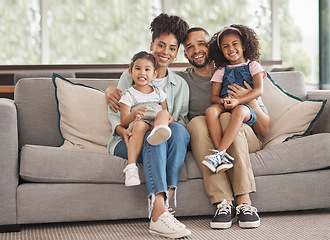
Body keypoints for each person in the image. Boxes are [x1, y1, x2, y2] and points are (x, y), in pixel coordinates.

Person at [106, 14, 191, 239]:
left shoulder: (180, 84)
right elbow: (117, 112)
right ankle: (159, 214)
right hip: (129, 138)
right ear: (151, 45)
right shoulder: (132, 75)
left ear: (177, 51)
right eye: (160, 45)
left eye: (172, 48)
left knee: (176, 131)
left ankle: (165, 197)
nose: (165, 52)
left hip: (160, 134)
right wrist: (121, 129)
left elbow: (180, 120)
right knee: (151, 135)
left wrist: (167, 122)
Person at [180, 27, 270, 229]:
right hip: (209, 136)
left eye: (201, 43)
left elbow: (264, 130)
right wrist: (112, 89)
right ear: (185, 53)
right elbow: (150, 76)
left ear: (211, 47)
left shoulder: (248, 71)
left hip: (246, 135)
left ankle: (244, 201)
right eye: (189, 47)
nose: (196, 50)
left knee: (227, 117)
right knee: (195, 123)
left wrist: (248, 100)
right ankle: (224, 203)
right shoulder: (182, 80)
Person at [202, 24, 266, 174]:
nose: (230, 48)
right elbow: (214, 97)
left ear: (243, 46)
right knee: (210, 111)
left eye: (234, 44)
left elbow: (258, 90)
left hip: (245, 106)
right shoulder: (221, 70)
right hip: (226, 103)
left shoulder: (253, 66)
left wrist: (238, 100)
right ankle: (220, 155)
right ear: (221, 51)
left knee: (239, 112)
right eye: (225, 46)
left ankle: (220, 152)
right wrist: (224, 101)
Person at [120, 51, 172, 187]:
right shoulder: (128, 94)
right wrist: (134, 114)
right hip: (139, 122)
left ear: (154, 74)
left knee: (164, 113)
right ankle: (131, 168)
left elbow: (164, 110)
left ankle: (160, 131)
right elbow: (124, 121)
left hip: (155, 123)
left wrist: (167, 119)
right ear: (130, 72)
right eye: (138, 69)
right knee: (140, 126)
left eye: (147, 69)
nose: (142, 73)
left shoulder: (159, 93)